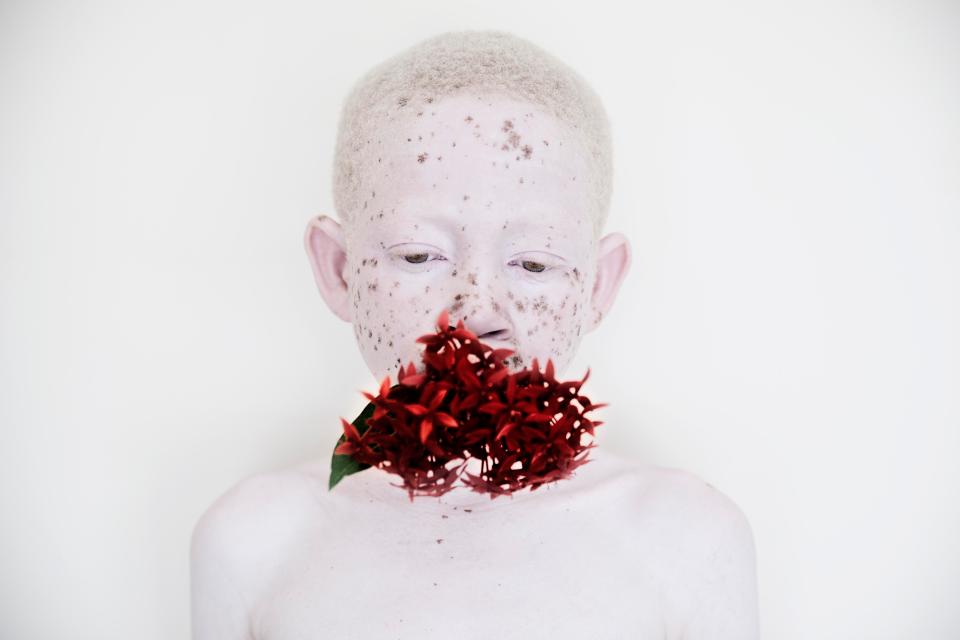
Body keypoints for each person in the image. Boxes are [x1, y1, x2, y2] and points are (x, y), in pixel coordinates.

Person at [190, 29, 759, 639]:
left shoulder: (687, 541)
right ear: (337, 269)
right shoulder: (252, 541)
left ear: (599, 286)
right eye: (417, 256)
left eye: (535, 264)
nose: (474, 313)